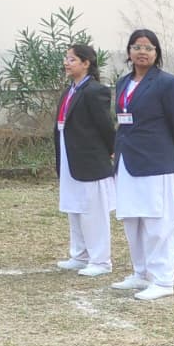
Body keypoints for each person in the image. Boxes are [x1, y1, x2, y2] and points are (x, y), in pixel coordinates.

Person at [111, 29, 174, 301]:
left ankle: (163, 279)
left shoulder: (168, 83)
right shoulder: (123, 83)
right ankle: (141, 271)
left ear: (157, 53)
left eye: (148, 48)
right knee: (133, 220)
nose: (142, 52)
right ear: (129, 52)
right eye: (136, 47)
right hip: (128, 161)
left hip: (157, 162)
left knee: (159, 222)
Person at [54, 43, 116, 277]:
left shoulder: (95, 91)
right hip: (69, 154)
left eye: (72, 59)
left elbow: (105, 125)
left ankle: (100, 260)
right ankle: (80, 254)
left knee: (93, 211)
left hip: (90, 157)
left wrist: (112, 149)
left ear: (86, 63)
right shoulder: (69, 90)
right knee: (74, 206)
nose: (66, 63)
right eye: (66, 58)